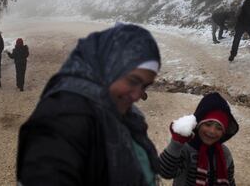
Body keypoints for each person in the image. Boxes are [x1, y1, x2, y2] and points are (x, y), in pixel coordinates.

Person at [17, 24, 161, 185]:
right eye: (133, 81)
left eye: (145, 86)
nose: (137, 95)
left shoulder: (114, 108)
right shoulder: (63, 117)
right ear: (108, 67)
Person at [159, 92, 239, 186]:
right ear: (198, 124)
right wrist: (176, 143)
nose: (212, 131)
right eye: (208, 124)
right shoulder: (186, 150)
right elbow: (164, 172)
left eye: (219, 128)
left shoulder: (225, 153)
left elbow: (230, 181)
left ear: (224, 132)